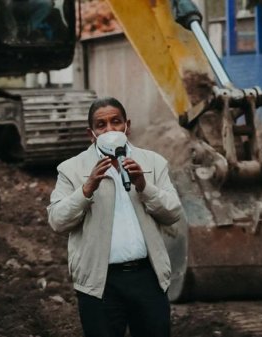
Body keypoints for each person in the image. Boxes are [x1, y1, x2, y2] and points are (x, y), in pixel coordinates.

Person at [47, 97, 183, 337]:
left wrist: (144, 186)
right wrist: (86, 189)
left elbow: (173, 212)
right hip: (99, 283)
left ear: (126, 126)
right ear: (92, 133)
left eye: (115, 122)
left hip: (148, 278)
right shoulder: (71, 169)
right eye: (101, 125)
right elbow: (57, 221)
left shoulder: (153, 162)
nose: (110, 130)